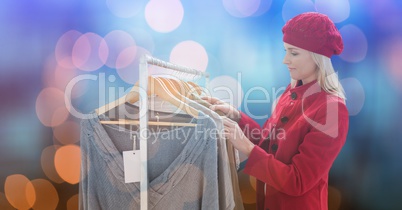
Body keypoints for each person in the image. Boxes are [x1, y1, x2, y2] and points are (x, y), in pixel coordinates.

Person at [203, 12, 349, 210]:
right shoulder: (291, 93)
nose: (285, 60)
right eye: (285, 51)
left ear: (317, 57)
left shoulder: (332, 109)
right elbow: (269, 145)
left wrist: (246, 147)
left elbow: (297, 181)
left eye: (293, 53)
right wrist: (236, 117)